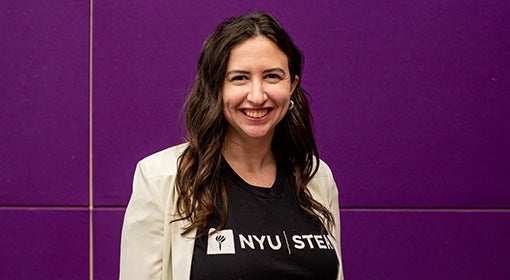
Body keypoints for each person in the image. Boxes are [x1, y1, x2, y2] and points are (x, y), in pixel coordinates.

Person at [119, 12, 344, 280]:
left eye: (272, 76)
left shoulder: (316, 177)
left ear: (292, 85)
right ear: (215, 86)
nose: (258, 95)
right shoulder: (161, 179)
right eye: (239, 78)